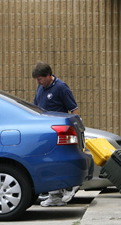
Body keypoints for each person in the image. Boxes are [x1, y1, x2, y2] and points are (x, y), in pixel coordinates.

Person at [32, 61, 80, 207]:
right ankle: (55, 194)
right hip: (45, 131)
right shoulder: (41, 88)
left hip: (57, 131)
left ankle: (64, 190)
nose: (39, 82)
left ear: (48, 75)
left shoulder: (61, 87)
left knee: (55, 161)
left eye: (40, 79)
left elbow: (74, 109)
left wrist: (75, 127)